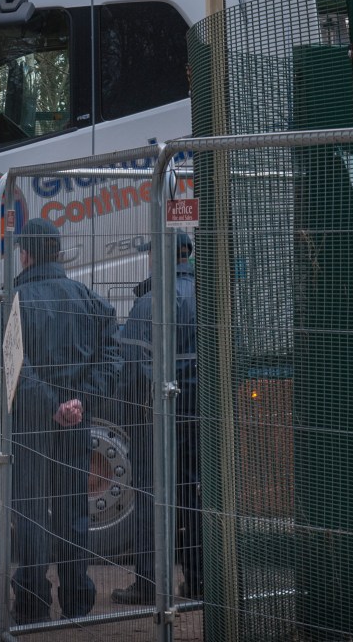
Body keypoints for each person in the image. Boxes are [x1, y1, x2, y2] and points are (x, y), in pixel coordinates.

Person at [9, 218, 121, 621]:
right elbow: (112, 353)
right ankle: (77, 601)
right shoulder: (88, 299)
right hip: (76, 423)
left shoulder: (13, 300)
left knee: (31, 513)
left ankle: (32, 604)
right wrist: (80, 401)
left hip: (31, 426)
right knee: (73, 511)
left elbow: (13, 365)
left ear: (25, 253)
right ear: (56, 252)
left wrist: (51, 403)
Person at [111, 231, 203, 604]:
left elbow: (130, 367)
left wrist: (125, 409)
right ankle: (198, 581)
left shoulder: (150, 302)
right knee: (196, 493)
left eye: (151, 254)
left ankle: (149, 584)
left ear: (161, 258)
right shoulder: (211, 295)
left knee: (152, 495)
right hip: (201, 412)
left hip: (158, 413)